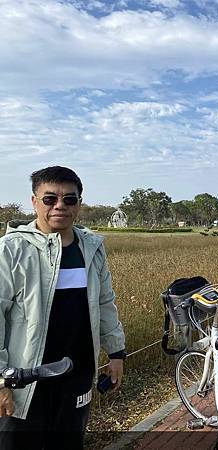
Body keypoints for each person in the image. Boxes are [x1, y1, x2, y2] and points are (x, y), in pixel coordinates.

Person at [0, 166, 126, 449]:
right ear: (34, 202)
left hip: (77, 376)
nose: (60, 206)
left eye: (69, 199)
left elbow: (105, 302)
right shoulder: (11, 250)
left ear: (79, 203)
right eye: (49, 199)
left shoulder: (90, 248)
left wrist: (116, 352)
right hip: (25, 380)